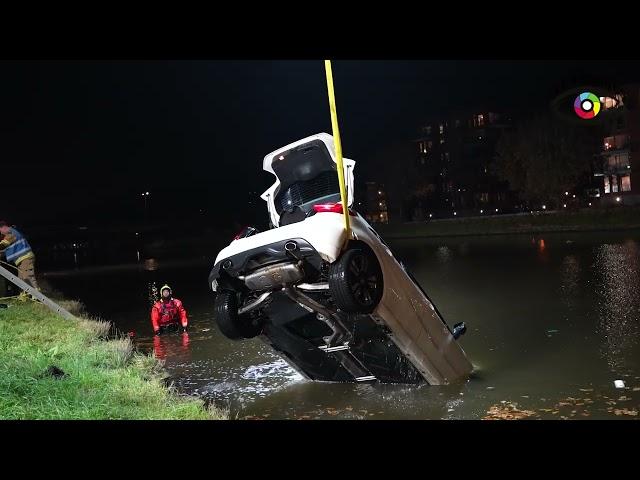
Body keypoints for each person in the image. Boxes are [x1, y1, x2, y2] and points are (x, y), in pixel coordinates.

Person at [0, 221, 40, 294]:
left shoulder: (11, 232)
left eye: (0, 231)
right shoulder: (12, 233)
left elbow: (3, 244)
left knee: (28, 277)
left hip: (25, 258)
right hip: (21, 260)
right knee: (21, 279)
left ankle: (37, 296)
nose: (1, 234)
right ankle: (24, 295)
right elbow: (7, 250)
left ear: (3, 227)